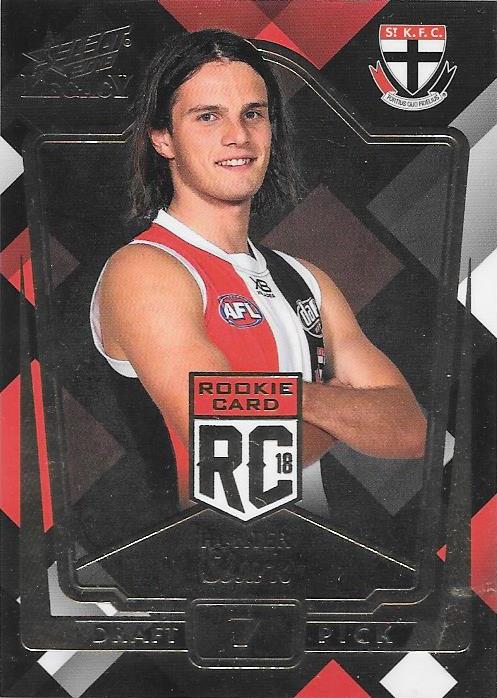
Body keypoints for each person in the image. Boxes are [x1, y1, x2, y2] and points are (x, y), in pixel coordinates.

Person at [90, 29, 426, 511]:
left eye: (253, 114)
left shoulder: (304, 278)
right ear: (162, 138)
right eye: (208, 116)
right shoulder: (146, 269)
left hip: (312, 551)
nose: (238, 136)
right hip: (198, 554)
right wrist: (342, 408)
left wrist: (283, 400)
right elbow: (241, 458)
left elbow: (411, 429)